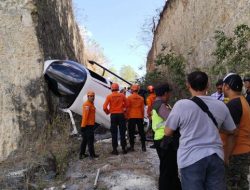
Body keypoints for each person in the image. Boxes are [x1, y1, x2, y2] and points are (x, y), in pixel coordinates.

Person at [164, 71, 236, 190]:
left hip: (191, 158)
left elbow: (168, 132)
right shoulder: (221, 105)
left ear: (188, 85)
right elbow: (232, 131)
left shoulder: (181, 105)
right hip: (216, 156)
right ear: (208, 85)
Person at [222, 73, 250, 190]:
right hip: (244, 150)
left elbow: (233, 133)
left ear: (227, 86)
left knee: (233, 186)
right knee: (242, 184)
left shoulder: (234, 104)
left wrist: (226, 157)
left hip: (235, 153)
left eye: (223, 85)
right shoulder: (243, 100)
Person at [152, 83, 181, 190]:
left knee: (169, 168)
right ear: (165, 93)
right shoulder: (160, 105)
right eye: (169, 93)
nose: (169, 95)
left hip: (162, 139)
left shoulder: (160, 104)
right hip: (164, 140)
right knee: (167, 169)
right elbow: (173, 120)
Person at [103, 83, 127, 155]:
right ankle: (123, 149)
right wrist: (124, 109)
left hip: (113, 116)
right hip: (121, 115)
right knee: (122, 132)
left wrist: (108, 112)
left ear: (111, 89)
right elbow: (127, 104)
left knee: (114, 133)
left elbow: (104, 107)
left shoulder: (109, 96)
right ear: (118, 88)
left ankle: (115, 150)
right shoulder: (122, 95)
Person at [79, 91, 99, 159]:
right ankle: (92, 155)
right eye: (91, 96)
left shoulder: (91, 104)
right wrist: (83, 126)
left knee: (85, 140)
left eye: (93, 96)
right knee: (90, 140)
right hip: (87, 126)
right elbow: (85, 116)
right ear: (88, 97)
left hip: (90, 125)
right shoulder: (87, 105)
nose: (92, 97)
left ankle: (82, 154)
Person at [126, 84, 146, 152]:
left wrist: (127, 116)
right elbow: (142, 109)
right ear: (138, 90)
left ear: (132, 90)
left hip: (131, 117)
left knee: (131, 132)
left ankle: (132, 147)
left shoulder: (129, 98)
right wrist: (143, 117)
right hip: (139, 116)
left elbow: (127, 108)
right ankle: (143, 146)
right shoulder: (141, 98)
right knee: (141, 132)